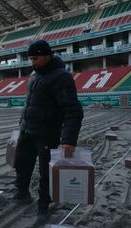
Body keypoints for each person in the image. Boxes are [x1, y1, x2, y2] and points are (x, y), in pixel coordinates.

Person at [14, 40, 83, 216]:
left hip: (46, 134)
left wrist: (68, 140)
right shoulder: (33, 75)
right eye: (30, 59)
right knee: (22, 164)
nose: (32, 62)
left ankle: (43, 205)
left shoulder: (61, 77)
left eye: (35, 58)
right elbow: (30, 103)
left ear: (47, 55)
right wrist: (21, 125)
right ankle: (22, 192)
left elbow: (73, 110)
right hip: (27, 130)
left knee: (46, 172)